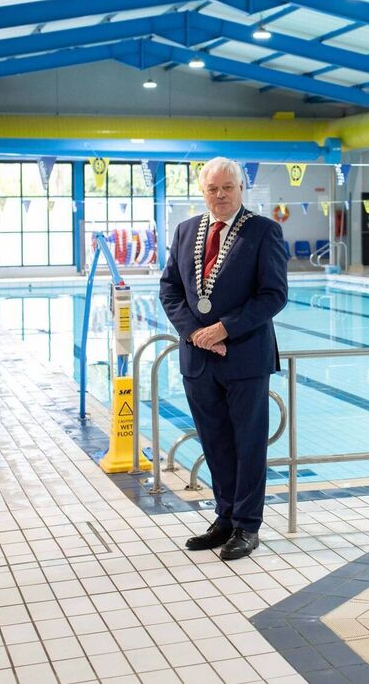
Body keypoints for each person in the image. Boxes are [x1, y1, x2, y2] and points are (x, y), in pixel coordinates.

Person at [159, 157, 290, 560]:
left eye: (227, 188)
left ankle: (248, 526)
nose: (219, 195)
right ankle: (225, 516)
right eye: (212, 189)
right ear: (204, 191)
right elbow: (170, 290)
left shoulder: (264, 232)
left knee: (248, 444)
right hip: (198, 358)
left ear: (240, 189)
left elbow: (274, 295)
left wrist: (225, 329)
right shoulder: (185, 232)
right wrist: (197, 333)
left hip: (245, 357)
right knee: (215, 442)